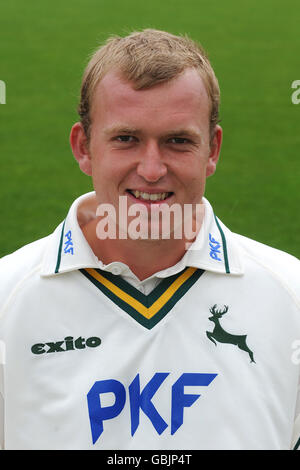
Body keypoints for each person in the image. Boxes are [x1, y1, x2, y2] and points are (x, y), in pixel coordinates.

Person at [0, 29, 299, 451]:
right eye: (127, 139)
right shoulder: (7, 300)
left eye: (178, 141)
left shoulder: (292, 299)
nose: (153, 169)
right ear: (83, 147)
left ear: (212, 150)